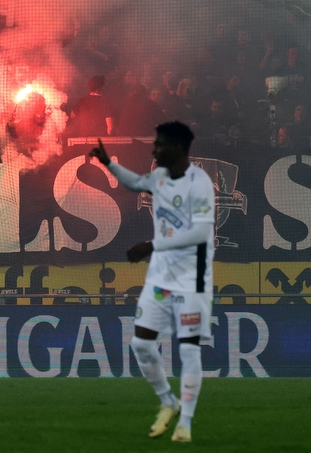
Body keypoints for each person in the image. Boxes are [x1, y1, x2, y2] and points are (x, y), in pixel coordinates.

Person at [89, 122, 215, 444]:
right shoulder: (158, 179)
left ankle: (185, 422)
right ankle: (168, 402)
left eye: (159, 144)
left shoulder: (199, 183)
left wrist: (152, 245)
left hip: (191, 280)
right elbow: (134, 183)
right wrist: (108, 163)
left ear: (176, 147)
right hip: (161, 278)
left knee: (188, 352)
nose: (153, 149)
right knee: (141, 344)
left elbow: (201, 233)